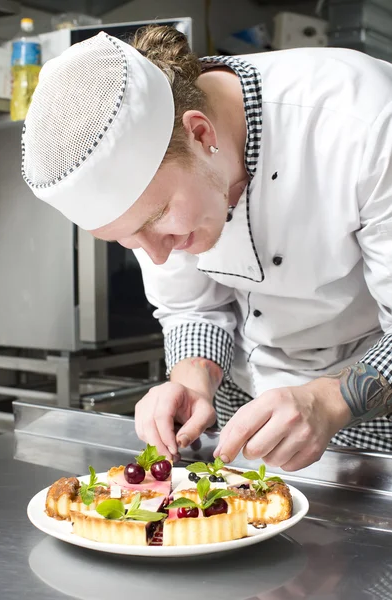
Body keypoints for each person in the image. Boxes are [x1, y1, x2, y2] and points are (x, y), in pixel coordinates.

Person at [22, 26, 392, 471]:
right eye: (127, 239)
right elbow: (192, 307)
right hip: (244, 418)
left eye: (156, 220)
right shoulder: (163, 186)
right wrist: (192, 383)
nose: (157, 255)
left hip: (372, 414)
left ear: (199, 133)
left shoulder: (365, 121)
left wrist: (330, 400)